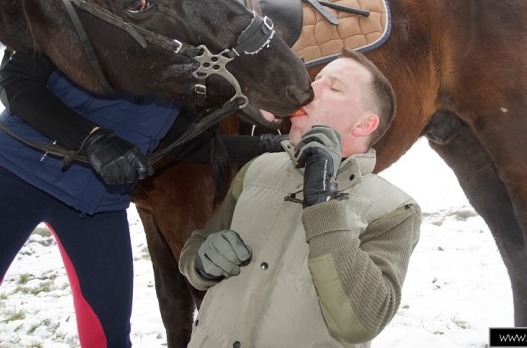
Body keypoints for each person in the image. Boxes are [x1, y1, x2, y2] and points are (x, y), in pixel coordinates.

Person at [0, 0, 258, 348]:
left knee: (109, 340)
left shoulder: (199, 49)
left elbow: (188, 145)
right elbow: (17, 84)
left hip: (97, 204)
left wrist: (269, 144)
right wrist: (93, 139)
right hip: (12, 177)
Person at [178, 49, 422, 347]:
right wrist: (201, 263)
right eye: (315, 80)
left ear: (364, 125)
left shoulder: (395, 210)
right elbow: (195, 249)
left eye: (333, 87)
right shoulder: (257, 170)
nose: (307, 91)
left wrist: (322, 201)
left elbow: (361, 323)